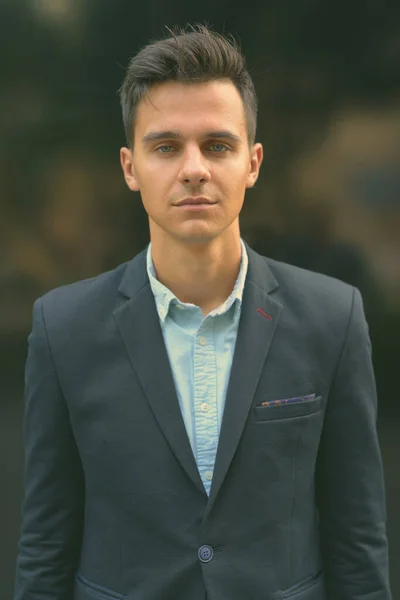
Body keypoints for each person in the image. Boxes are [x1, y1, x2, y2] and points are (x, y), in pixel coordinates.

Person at [14, 24, 392, 600]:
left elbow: (358, 540)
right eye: (166, 147)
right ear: (129, 167)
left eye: (217, 145)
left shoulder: (331, 318)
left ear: (253, 162)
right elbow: (45, 544)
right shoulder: (62, 328)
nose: (194, 168)